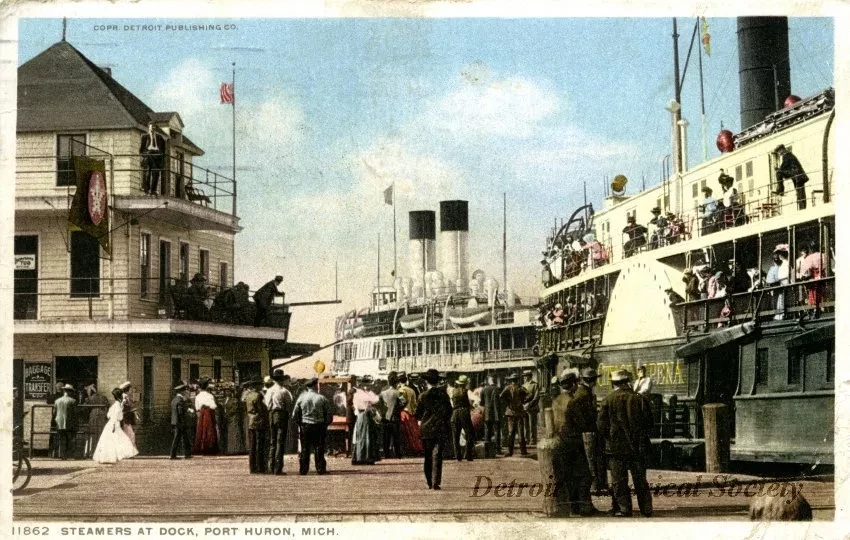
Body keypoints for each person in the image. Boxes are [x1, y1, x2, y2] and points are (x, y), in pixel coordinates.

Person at [598, 370, 654, 517]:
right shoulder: (640, 399)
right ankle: (646, 509)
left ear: (613, 384)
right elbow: (649, 423)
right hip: (637, 447)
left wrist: (609, 437)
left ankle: (624, 509)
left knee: (619, 481)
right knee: (640, 479)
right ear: (628, 381)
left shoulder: (607, 400)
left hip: (615, 448)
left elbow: (600, 426)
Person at [551, 371, 595, 516]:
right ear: (574, 384)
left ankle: (573, 507)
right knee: (584, 475)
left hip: (560, 441)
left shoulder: (556, 400)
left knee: (568, 476)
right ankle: (583, 507)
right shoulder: (574, 401)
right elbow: (581, 423)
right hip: (574, 441)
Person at [415, 368, 453, 490]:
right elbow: (449, 411)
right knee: (437, 454)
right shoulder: (444, 395)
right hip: (440, 427)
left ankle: (429, 481)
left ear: (427, 382)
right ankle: (436, 480)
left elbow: (418, 414)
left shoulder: (423, 396)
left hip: (426, 429)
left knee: (427, 456)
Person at [292, 377, 333, 475]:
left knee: (305, 448)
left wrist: (300, 424)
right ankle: (320, 469)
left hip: (305, 425)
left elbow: (295, 414)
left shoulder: (301, 398)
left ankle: (303, 470)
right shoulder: (321, 398)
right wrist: (325, 424)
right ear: (315, 386)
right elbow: (329, 414)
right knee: (319, 447)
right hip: (319, 425)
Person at [576, 368, 607, 495]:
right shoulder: (584, 394)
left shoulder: (583, 392)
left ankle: (597, 485)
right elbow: (586, 414)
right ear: (592, 380)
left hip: (587, 429)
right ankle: (594, 486)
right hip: (588, 431)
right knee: (591, 459)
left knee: (593, 458)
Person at [93, 388, 139, 464]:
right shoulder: (118, 406)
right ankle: (113, 455)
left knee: (111, 440)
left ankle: (108, 456)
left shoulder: (115, 405)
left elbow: (109, 415)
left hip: (111, 424)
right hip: (114, 424)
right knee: (118, 439)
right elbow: (119, 417)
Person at [265, 369, 293, 474]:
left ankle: (270, 466)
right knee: (280, 442)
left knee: (272, 441)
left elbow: (267, 404)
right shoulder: (284, 391)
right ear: (282, 380)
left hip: (271, 414)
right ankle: (278, 467)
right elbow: (289, 404)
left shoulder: (269, 390)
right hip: (281, 415)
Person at [351, 376, 380, 465]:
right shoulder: (362, 394)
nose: (368, 386)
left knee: (362, 435)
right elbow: (375, 399)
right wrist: (370, 392)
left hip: (362, 415)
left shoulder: (359, 393)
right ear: (363, 385)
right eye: (366, 385)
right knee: (366, 435)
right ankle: (365, 457)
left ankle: (360, 457)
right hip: (364, 415)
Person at [500, 373, 528, 456]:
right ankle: (523, 451)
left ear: (511, 380)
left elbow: (501, 396)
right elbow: (529, 395)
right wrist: (523, 401)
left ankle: (510, 451)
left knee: (511, 432)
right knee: (520, 432)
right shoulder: (521, 388)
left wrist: (508, 402)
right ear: (517, 380)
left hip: (510, 412)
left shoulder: (508, 388)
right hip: (519, 412)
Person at [244, 379, 268, 474]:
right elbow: (261, 409)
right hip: (259, 421)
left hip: (251, 420)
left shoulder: (248, 395)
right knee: (260, 445)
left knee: (252, 445)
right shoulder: (258, 395)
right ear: (257, 386)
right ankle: (260, 467)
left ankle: (252, 467)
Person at [774, 144, 809, 210]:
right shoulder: (789, 155)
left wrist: (777, 169)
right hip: (797, 175)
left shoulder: (787, 155)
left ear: (782, 150)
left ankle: (780, 190)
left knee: (778, 173)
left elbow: (783, 167)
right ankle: (802, 208)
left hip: (797, 176)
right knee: (800, 193)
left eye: (779, 152)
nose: (779, 154)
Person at [449, 375, 475, 461]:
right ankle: (468, 454)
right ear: (465, 384)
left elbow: (451, 403)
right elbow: (475, 401)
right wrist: (471, 405)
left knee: (455, 435)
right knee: (469, 433)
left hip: (455, 412)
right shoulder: (468, 391)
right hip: (464, 412)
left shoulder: (453, 391)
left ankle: (458, 455)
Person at [379, 372, 403, 459]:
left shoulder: (383, 393)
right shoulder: (398, 393)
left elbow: (378, 404)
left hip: (385, 417)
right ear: (396, 382)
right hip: (395, 417)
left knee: (386, 437)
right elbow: (404, 402)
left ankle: (386, 454)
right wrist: (398, 408)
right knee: (396, 437)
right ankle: (397, 454)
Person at [193, 378, 219, 455]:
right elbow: (214, 406)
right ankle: (209, 447)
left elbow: (197, 407)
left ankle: (200, 447)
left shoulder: (197, 396)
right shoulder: (209, 395)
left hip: (201, 414)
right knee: (209, 430)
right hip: (208, 414)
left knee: (201, 430)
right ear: (207, 386)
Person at [139, 122, 166, 195]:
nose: (152, 130)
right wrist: (146, 154)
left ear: (155, 128)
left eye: (154, 128)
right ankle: (146, 190)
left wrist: (160, 156)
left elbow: (163, 150)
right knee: (147, 172)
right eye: (151, 128)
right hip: (148, 155)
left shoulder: (160, 138)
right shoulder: (144, 137)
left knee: (156, 173)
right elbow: (141, 150)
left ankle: (153, 190)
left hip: (157, 156)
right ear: (148, 128)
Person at [83, 385, 109, 458]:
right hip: (102, 416)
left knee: (92, 434)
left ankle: (91, 452)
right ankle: (101, 451)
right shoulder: (103, 397)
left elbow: (84, 409)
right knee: (100, 434)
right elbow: (107, 406)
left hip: (93, 416)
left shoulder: (89, 399)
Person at [765, 245, 790, 320]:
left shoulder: (785, 264)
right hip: (779, 287)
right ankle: (780, 314)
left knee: (782, 300)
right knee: (779, 301)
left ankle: (782, 314)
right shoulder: (775, 267)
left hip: (784, 285)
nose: (778, 257)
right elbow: (770, 280)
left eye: (779, 254)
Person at [479, 375, 502, 455]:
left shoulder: (484, 389)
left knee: (487, 431)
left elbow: (481, 402)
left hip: (487, 413)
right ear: (494, 380)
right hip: (496, 413)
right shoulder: (498, 389)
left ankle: (487, 451)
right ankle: (498, 449)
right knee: (497, 431)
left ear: (488, 381)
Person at [170, 382, 193, 459]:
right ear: (182, 391)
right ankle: (185, 454)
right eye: (184, 391)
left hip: (175, 422)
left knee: (178, 438)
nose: (185, 392)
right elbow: (180, 413)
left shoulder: (174, 400)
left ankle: (176, 454)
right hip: (180, 422)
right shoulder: (180, 400)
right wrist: (184, 422)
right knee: (182, 438)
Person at [54, 384, 78, 460]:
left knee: (61, 439)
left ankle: (62, 455)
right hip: (69, 422)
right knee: (70, 439)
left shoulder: (57, 401)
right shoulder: (73, 401)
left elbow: (54, 412)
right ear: (70, 392)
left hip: (59, 422)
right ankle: (70, 455)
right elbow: (75, 413)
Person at [223, 386, 246, 454]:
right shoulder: (225, 399)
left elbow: (235, 409)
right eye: (226, 391)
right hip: (228, 418)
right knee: (230, 433)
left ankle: (236, 449)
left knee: (235, 432)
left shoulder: (234, 400)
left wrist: (228, 413)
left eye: (229, 391)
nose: (227, 393)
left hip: (233, 417)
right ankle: (230, 449)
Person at [521, 370, 540, 445]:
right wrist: (523, 404)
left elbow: (536, 397)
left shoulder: (535, 385)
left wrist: (529, 404)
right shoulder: (523, 386)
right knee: (525, 424)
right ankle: (527, 438)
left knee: (532, 424)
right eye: (524, 376)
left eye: (526, 376)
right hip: (524, 408)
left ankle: (533, 439)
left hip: (532, 407)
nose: (524, 377)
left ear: (529, 376)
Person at [119, 381, 137, 450]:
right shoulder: (124, 397)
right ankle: (129, 451)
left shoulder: (126, 397)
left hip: (127, 418)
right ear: (127, 389)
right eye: (130, 389)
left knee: (128, 435)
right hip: (125, 418)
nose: (131, 391)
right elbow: (123, 407)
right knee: (130, 435)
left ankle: (128, 451)